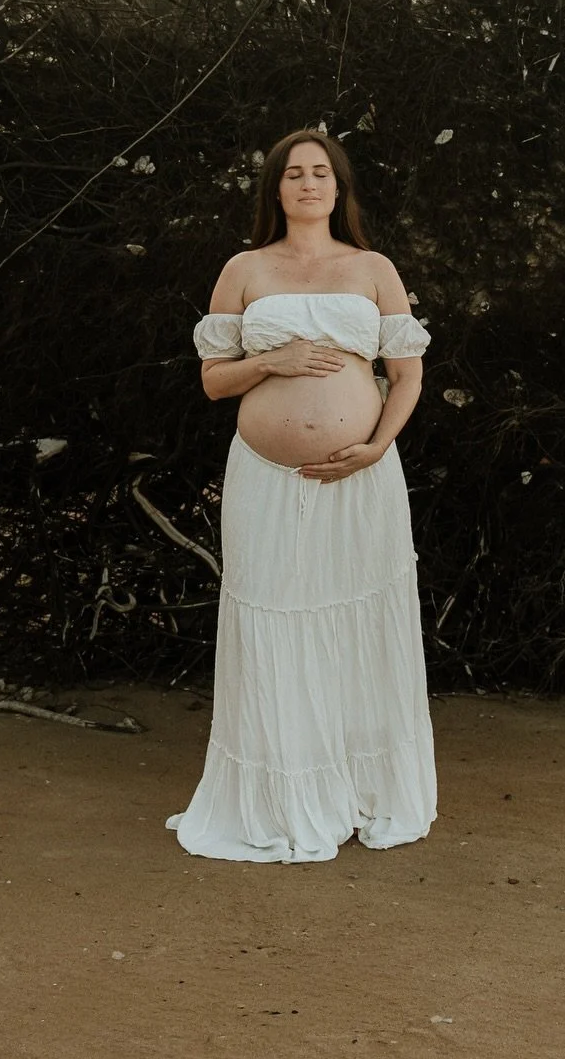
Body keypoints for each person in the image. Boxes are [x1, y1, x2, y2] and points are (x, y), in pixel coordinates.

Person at [166, 129, 437, 863]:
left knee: (357, 623)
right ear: (275, 190)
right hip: (266, 478)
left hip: (362, 480)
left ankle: (358, 788)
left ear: (339, 188)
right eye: (294, 174)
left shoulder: (373, 267)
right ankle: (285, 794)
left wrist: (378, 445)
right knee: (276, 618)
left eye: (322, 173)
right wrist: (270, 360)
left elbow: (406, 375)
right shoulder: (245, 270)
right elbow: (213, 381)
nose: (308, 184)